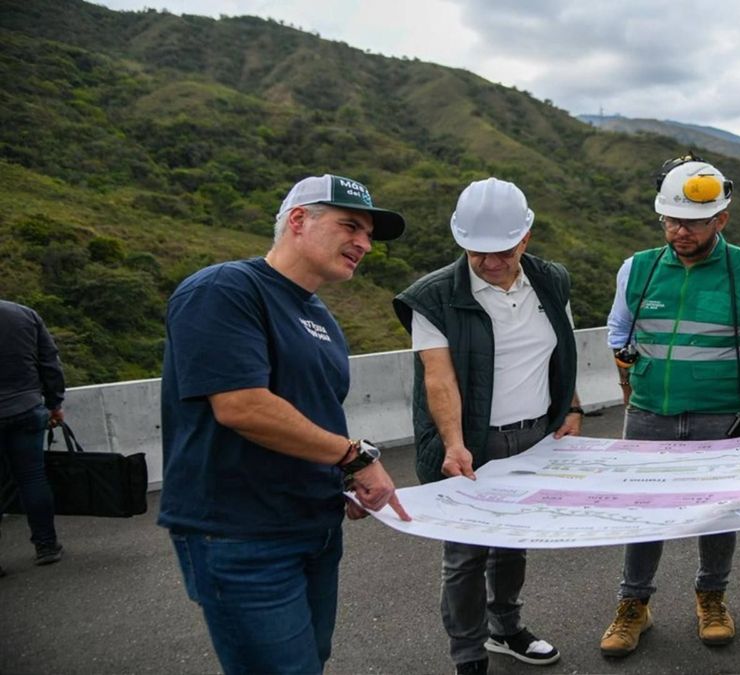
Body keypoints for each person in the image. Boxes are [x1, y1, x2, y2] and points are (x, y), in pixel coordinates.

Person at [159, 174, 409, 674]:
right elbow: (243, 407)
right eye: (350, 226)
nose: (363, 243)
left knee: (311, 661)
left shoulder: (321, 318)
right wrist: (355, 458)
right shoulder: (225, 289)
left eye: (368, 235)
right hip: (241, 535)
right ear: (299, 220)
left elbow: (315, 417)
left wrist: (339, 478)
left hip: (312, 525)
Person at [599, 154, 740, 658]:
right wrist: (629, 384)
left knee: (718, 513)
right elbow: (619, 332)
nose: (680, 231)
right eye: (671, 220)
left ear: (720, 220)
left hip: (721, 414)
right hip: (649, 412)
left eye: (693, 222)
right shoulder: (636, 267)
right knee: (644, 512)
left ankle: (712, 597)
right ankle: (633, 604)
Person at [393, 177, 581, 675]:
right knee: (466, 555)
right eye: (478, 252)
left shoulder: (551, 281)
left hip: (533, 438)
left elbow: (562, 352)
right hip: (471, 443)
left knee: (513, 542)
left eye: (502, 250)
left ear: (526, 238)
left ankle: (506, 629)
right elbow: (439, 378)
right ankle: (469, 655)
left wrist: (573, 407)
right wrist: (454, 445)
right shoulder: (434, 297)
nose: (491, 263)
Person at [0, 300, 67, 572]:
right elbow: (50, 362)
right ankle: (46, 546)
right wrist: (54, 403)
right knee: (32, 478)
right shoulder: (22, 314)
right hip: (26, 408)